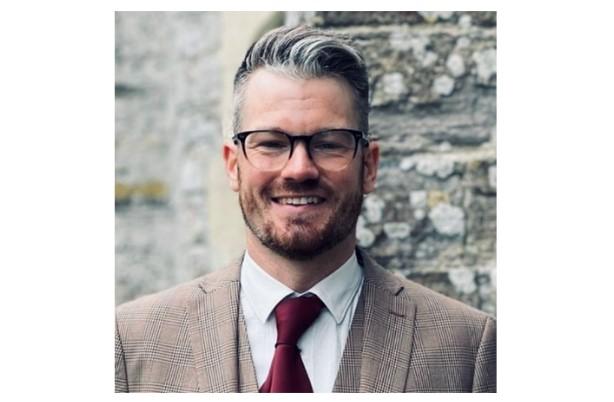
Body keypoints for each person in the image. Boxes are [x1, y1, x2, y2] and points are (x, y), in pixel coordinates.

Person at [115, 25, 496, 393]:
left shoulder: (468, 350)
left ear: (369, 166)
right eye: (270, 143)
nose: (299, 169)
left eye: (329, 143)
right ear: (233, 165)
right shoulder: (131, 343)